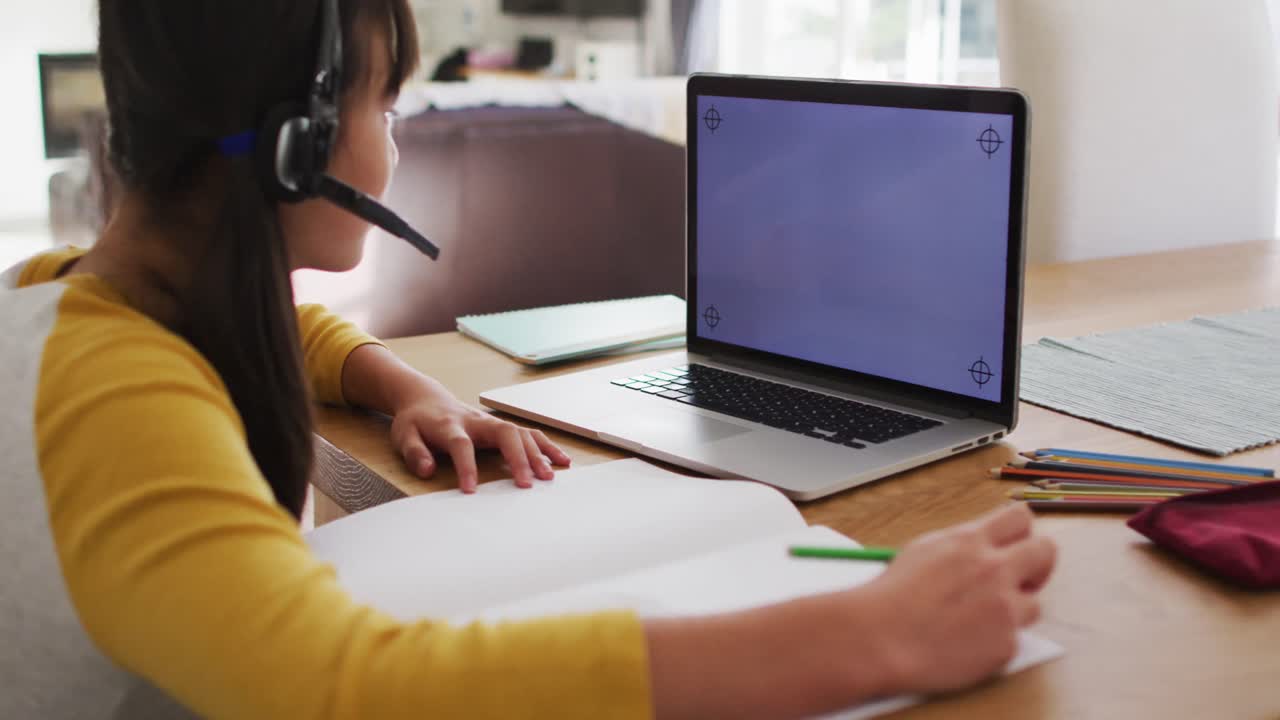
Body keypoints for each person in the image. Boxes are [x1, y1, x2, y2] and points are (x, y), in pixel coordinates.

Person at [0, 1, 1056, 717]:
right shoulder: (117, 396)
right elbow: (338, 690)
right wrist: (872, 636)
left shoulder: (78, 296)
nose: (396, 136)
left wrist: (395, 379)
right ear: (297, 140)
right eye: (384, 103)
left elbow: (269, 330)